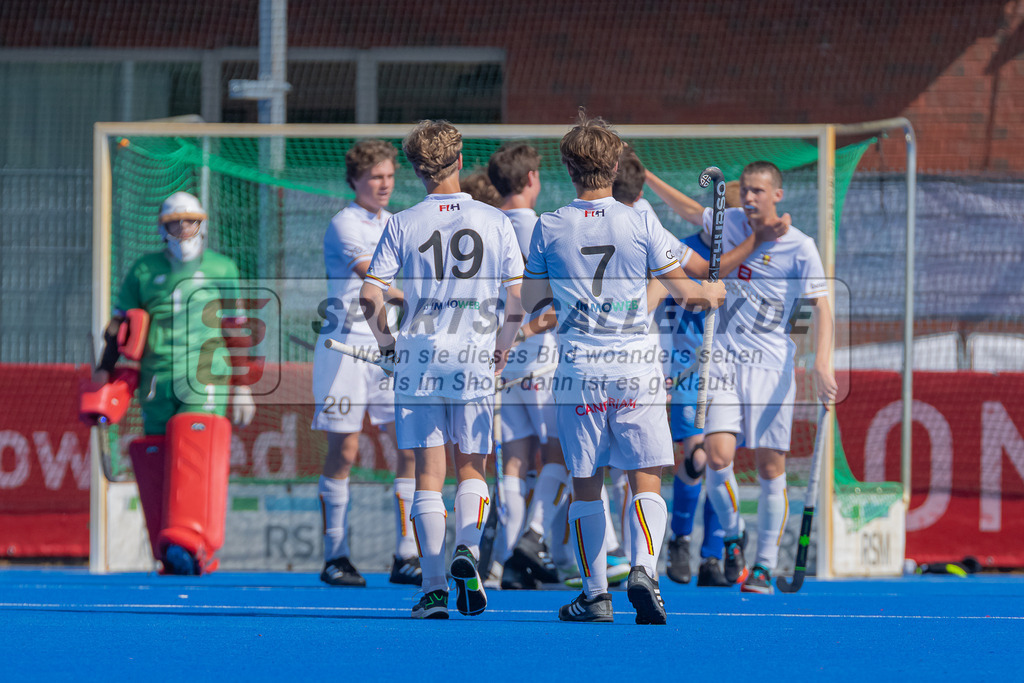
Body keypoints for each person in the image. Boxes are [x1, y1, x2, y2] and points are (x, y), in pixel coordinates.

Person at [521, 112, 725, 624]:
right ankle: (643, 568)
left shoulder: (548, 225)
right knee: (646, 477)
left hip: (579, 370)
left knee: (587, 479)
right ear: (615, 165)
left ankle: (594, 595)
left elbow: (531, 300)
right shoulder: (640, 220)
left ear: (567, 165)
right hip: (635, 367)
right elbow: (687, 291)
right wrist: (711, 293)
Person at [645, 160, 837, 594]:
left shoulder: (801, 246)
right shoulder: (730, 222)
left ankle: (766, 565)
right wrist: (647, 179)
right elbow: (691, 211)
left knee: (770, 467)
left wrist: (822, 363)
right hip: (724, 360)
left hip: (771, 367)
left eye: (757, 191)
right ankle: (732, 537)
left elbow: (821, 307)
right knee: (715, 456)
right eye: (745, 190)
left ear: (777, 196)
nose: (749, 197)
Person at [359, 120, 525, 619]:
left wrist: (389, 347)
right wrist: (503, 346)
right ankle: (467, 553)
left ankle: (432, 588)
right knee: (472, 466)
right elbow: (516, 298)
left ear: (415, 170)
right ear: (459, 160)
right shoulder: (496, 220)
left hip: (420, 357)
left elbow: (370, 296)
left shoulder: (403, 222)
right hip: (473, 354)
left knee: (427, 475)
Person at [619, 151, 779, 587]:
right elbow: (672, 292)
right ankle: (682, 540)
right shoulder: (685, 246)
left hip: (731, 368)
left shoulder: (761, 250)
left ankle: (716, 550)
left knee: (717, 459)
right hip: (689, 366)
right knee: (696, 456)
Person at [82, 191, 256, 575]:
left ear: (202, 224)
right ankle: (167, 548)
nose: (182, 229)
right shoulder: (143, 270)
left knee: (193, 455)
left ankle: (193, 544)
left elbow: (237, 329)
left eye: (189, 221)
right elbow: (119, 326)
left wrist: (242, 384)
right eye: (174, 223)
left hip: (206, 376)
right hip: (155, 379)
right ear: (163, 229)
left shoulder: (222, 268)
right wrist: (103, 369)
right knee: (159, 459)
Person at [311, 139, 420, 588]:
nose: (384, 184)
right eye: (376, 177)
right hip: (344, 348)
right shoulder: (344, 223)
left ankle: (407, 554)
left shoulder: (397, 222)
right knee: (346, 452)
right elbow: (371, 279)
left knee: (410, 448)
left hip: (387, 348)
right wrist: (424, 298)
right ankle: (335, 556)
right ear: (355, 180)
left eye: (390, 176)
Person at [485, 142, 566, 588]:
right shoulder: (540, 228)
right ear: (532, 179)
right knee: (561, 454)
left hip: (502, 363)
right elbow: (556, 302)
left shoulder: (488, 225)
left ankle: (501, 565)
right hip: (539, 360)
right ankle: (531, 541)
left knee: (515, 464)